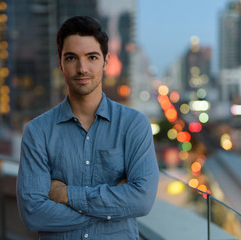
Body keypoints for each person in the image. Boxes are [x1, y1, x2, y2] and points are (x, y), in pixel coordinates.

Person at [17, 16, 159, 239]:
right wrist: (114, 207)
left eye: (91, 57)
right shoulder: (38, 132)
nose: (82, 68)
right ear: (60, 62)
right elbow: (33, 214)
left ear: (106, 61)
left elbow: (141, 201)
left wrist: (65, 195)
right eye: (72, 58)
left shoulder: (133, 125)